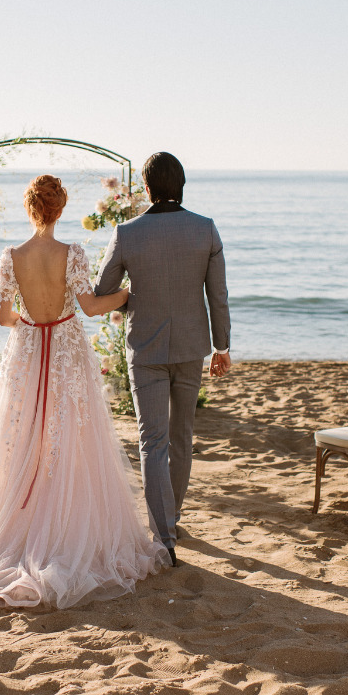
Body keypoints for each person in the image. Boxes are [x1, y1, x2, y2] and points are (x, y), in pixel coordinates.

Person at [0, 174, 169, 608]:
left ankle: (17, 523)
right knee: (71, 436)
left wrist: (28, 323)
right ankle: (61, 527)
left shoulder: (11, 256)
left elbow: (4, 317)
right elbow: (92, 307)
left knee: (21, 437)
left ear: (30, 209)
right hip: (66, 350)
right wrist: (132, 292)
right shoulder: (72, 253)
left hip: (28, 349)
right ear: (59, 210)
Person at [94, 152, 231, 566]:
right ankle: (171, 517)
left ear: (148, 188)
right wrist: (222, 347)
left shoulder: (127, 232)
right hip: (192, 348)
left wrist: (135, 296)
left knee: (151, 441)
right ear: (182, 186)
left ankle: (164, 536)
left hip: (146, 349)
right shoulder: (205, 229)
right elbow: (218, 295)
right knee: (181, 437)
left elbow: (103, 291)